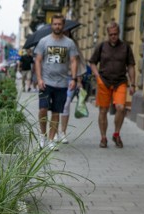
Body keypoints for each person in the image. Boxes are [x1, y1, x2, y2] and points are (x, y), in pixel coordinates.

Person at [34, 14, 79, 150]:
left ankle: (51, 139)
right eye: (55, 24)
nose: (57, 26)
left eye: (59, 24)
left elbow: (73, 61)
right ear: (51, 25)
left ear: (63, 25)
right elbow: (38, 60)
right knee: (43, 110)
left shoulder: (69, 43)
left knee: (56, 112)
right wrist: (39, 79)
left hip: (62, 83)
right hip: (46, 83)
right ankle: (42, 137)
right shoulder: (44, 41)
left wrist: (74, 78)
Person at [89, 21, 136, 148]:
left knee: (120, 108)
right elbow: (92, 62)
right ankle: (103, 137)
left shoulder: (125, 47)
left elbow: (131, 66)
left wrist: (133, 84)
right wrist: (97, 76)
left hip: (120, 82)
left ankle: (116, 134)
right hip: (104, 81)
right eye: (111, 34)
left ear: (119, 33)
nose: (113, 36)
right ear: (107, 34)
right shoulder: (102, 46)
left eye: (115, 34)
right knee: (103, 110)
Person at [57, 29, 86, 144]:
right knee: (55, 106)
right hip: (56, 79)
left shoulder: (73, 45)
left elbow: (78, 64)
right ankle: (54, 133)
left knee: (66, 104)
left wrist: (79, 81)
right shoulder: (54, 44)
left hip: (70, 79)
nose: (64, 33)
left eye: (66, 31)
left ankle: (63, 132)